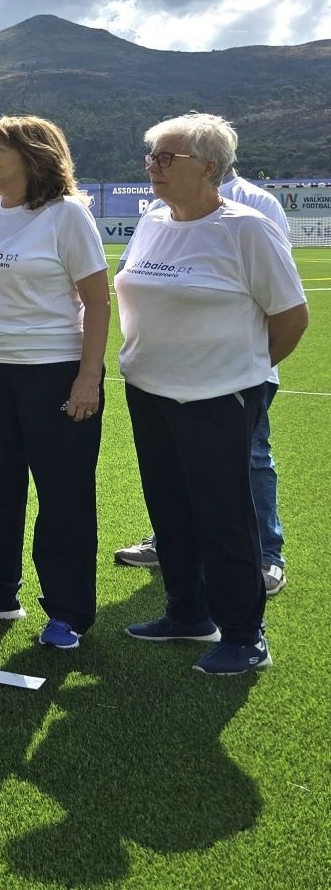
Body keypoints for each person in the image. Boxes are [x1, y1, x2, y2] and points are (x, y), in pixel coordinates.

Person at [115, 113, 307, 675]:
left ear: (210, 168)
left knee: (224, 516)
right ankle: (186, 613)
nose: (153, 166)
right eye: (152, 155)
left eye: (166, 157)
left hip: (220, 396)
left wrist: (242, 370)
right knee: (170, 508)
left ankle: (246, 635)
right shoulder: (153, 220)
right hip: (149, 390)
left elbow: (291, 316)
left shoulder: (245, 229)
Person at [0, 116, 109, 649]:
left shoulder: (67, 216)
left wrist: (89, 378)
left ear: (35, 154)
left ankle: (68, 612)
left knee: (63, 497)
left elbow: (97, 302)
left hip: (55, 373)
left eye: (0, 148)